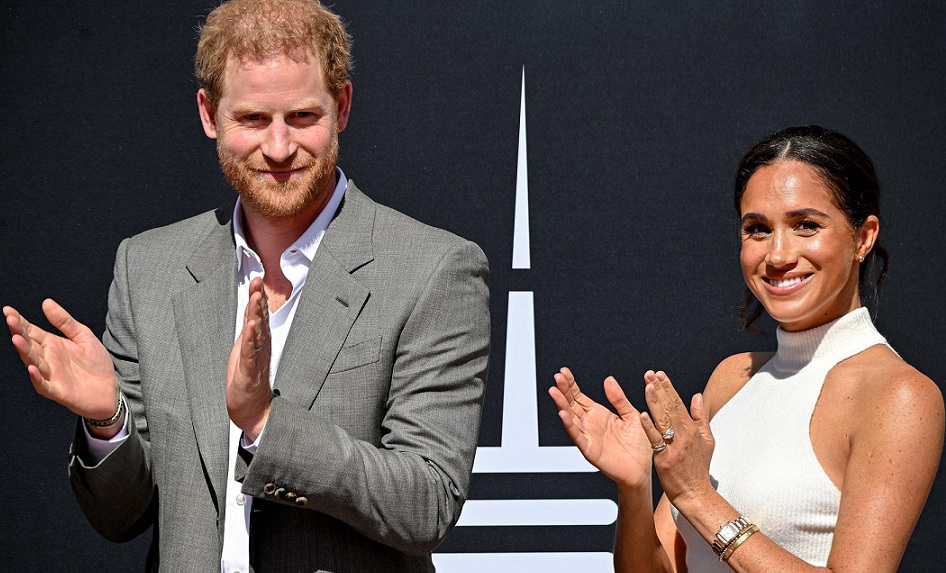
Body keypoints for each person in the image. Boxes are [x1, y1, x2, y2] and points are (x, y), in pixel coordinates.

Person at [3, 0, 490, 571]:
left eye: (303, 117)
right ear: (209, 114)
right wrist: (109, 422)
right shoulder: (149, 269)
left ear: (344, 106)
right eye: (253, 120)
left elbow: (427, 503)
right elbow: (121, 517)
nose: (280, 148)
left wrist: (266, 423)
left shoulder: (432, 268)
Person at [550, 125, 944, 572]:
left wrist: (698, 497)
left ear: (863, 237)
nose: (777, 255)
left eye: (806, 226)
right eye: (757, 229)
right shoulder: (731, 378)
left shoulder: (898, 396)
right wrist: (637, 489)